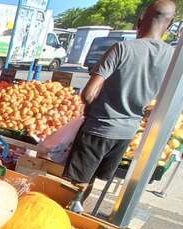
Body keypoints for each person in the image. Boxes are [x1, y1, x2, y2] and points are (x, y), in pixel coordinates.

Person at [63, 0, 177, 204]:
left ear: (139, 21)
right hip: (126, 133)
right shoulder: (172, 57)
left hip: (99, 128)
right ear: (169, 25)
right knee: (91, 182)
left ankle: (68, 214)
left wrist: (91, 112)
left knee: (73, 184)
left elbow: (88, 93)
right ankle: (77, 210)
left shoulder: (122, 49)